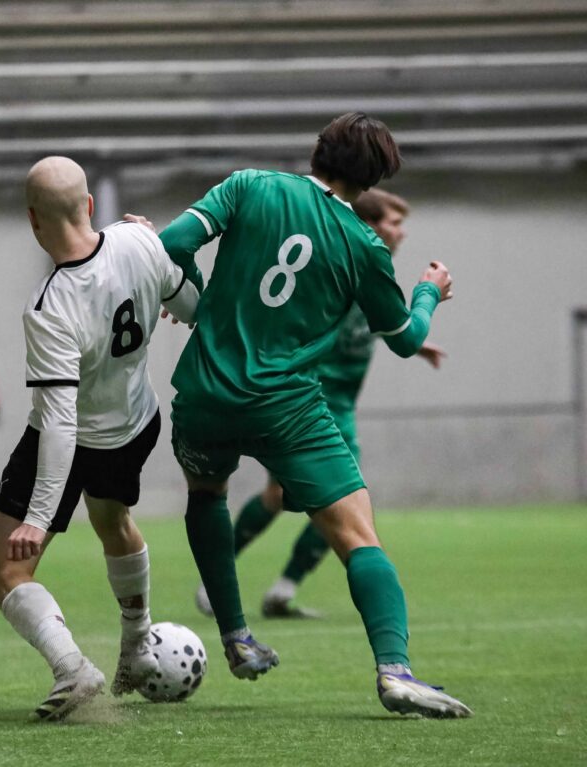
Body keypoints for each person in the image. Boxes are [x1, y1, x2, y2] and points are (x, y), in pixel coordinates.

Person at [157, 112, 472, 717]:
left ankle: (236, 636)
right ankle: (395, 671)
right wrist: (429, 291)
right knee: (357, 536)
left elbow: (171, 245)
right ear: (373, 178)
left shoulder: (249, 185)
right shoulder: (362, 244)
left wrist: (203, 305)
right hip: (285, 406)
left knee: (207, 494)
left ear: (318, 150)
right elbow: (406, 339)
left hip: (203, 393)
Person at [0, 156, 199, 721]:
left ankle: (72, 667)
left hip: (76, 437)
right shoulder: (139, 240)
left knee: (2, 571)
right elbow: (192, 306)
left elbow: (59, 421)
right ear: (90, 205)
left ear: (33, 219)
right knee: (113, 523)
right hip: (136, 424)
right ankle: (138, 646)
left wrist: (39, 517)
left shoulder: (50, 306)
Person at [194, 189, 447, 620]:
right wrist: (427, 297)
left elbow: (382, 321)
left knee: (284, 495)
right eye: (394, 222)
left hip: (332, 401)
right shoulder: (341, 262)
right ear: (370, 225)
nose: (401, 232)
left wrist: (412, 343)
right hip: (312, 400)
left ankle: (265, 588)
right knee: (342, 504)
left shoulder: (369, 266)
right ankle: (248, 582)